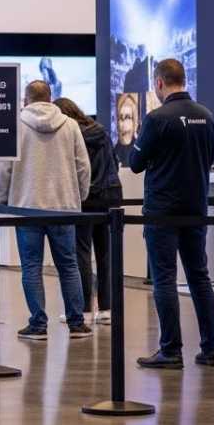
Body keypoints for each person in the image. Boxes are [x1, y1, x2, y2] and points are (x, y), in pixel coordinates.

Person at [129, 59, 214, 369]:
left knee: (165, 279)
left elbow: (135, 162)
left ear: (159, 84)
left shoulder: (157, 119)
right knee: (199, 277)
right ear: (184, 80)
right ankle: (210, 348)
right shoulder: (207, 117)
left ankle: (171, 349)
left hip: (162, 211)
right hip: (195, 208)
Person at [0, 81, 92, 341]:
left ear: (25, 100)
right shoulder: (70, 125)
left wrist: (4, 200)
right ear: (50, 98)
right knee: (69, 266)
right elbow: (83, 166)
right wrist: (78, 197)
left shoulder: (14, 125)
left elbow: (3, 168)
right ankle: (77, 323)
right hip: (64, 207)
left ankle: (38, 324)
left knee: (31, 267)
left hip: (26, 207)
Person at [56, 97, 123, 325]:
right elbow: (114, 162)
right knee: (106, 254)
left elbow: (77, 168)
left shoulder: (72, 135)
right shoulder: (101, 131)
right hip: (110, 196)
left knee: (81, 254)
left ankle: (83, 309)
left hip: (85, 198)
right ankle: (106, 309)